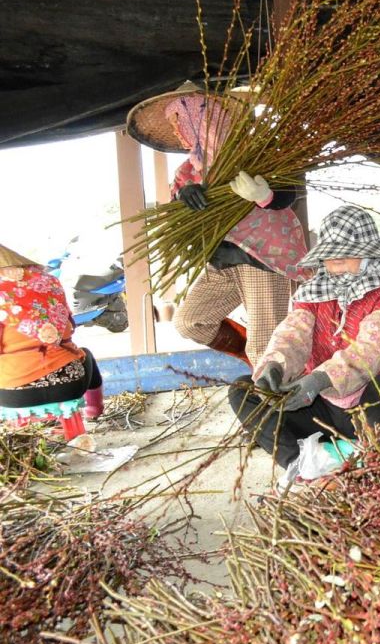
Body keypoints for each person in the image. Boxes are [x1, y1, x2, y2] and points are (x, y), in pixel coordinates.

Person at [228, 205, 380, 481]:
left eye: (346, 253)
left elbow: (371, 351)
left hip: (373, 408)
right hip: (327, 407)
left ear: (369, 253)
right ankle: (300, 463)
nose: (335, 261)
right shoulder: (315, 290)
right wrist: (274, 366)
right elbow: (293, 334)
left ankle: (373, 457)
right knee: (243, 390)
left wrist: (321, 378)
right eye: (330, 254)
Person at [125, 82, 309, 366]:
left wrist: (264, 195)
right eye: (175, 122)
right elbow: (179, 213)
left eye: (181, 119)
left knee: (265, 343)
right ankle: (266, 364)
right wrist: (183, 198)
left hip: (260, 256)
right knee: (190, 321)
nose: (178, 129)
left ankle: (273, 397)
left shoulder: (256, 154)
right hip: (221, 259)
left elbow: (288, 192)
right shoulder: (188, 170)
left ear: (205, 118)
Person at [0, 244, 104, 419]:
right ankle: (94, 410)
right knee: (86, 354)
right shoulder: (49, 284)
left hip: (12, 394)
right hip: (68, 385)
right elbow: (69, 329)